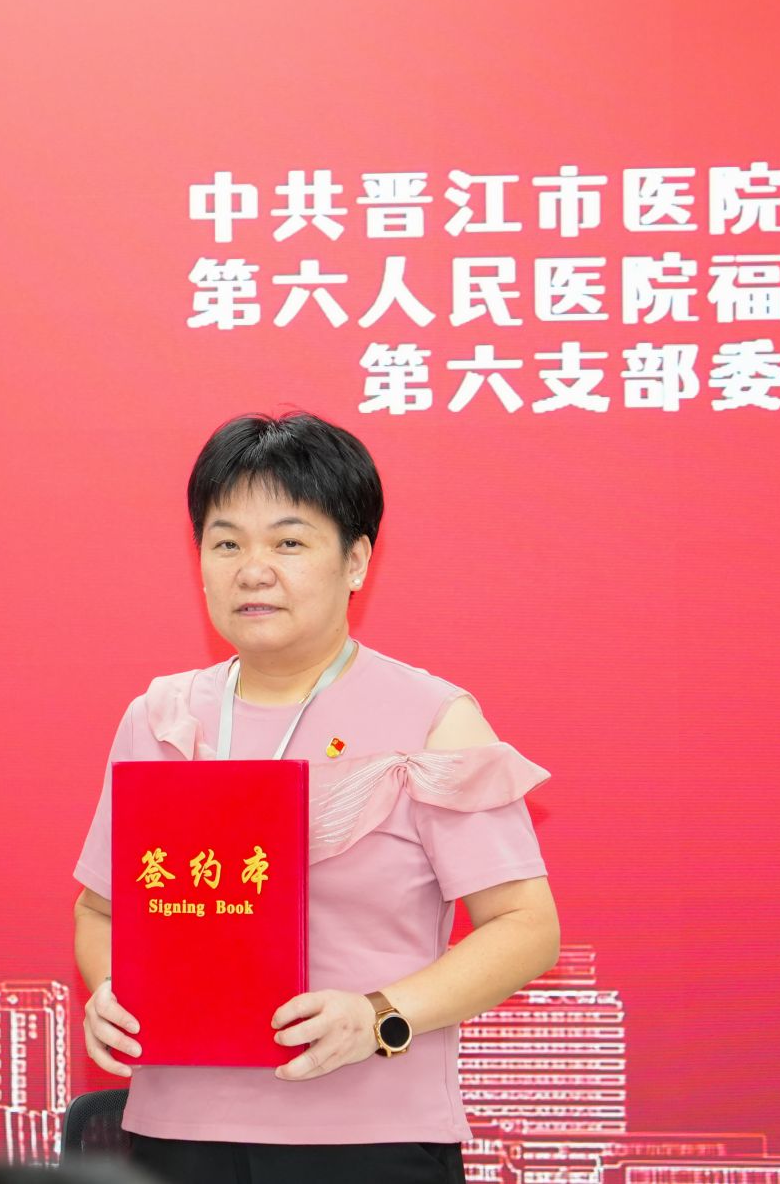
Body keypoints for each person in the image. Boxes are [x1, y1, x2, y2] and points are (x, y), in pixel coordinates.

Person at [71, 412, 560, 1184]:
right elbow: (100, 911)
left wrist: (378, 1015)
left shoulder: (431, 718)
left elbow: (526, 926)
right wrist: (108, 989)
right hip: (177, 1133)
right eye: (226, 543)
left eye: (289, 543)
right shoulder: (159, 718)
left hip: (369, 1138)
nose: (253, 570)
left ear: (356, 559)